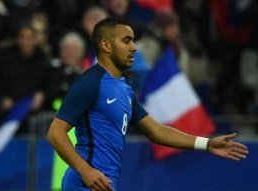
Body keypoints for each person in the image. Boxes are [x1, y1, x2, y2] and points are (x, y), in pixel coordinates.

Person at [47, 16, 249, 191]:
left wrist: (206, 143)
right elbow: (55, 132)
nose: (134, 47)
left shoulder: (124, 89)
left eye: (133, 41)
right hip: (83, 183)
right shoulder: (89, 83)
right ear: (106, 45)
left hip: (104, 184)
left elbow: (156, 131)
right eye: (126, 41)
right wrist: (85, 170)